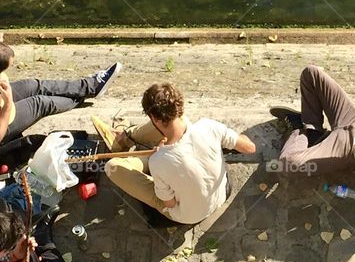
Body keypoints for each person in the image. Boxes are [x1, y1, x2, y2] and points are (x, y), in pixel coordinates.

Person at [0, 30, 121, 153]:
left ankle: (89, 87)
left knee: (32, 85)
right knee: (39, 103)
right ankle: (77, 99)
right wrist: (7, 104)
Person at [104, 83, 256, 225]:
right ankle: (127, 137)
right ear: (179, 105)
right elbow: (249, 148)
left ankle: (126, 142)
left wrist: (158, 159)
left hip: (187, 216)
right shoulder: (209, 126)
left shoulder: (158, 162)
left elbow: (170, 203)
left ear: (153, 118)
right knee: (179, 123)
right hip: (223, 192)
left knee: (112, 166)